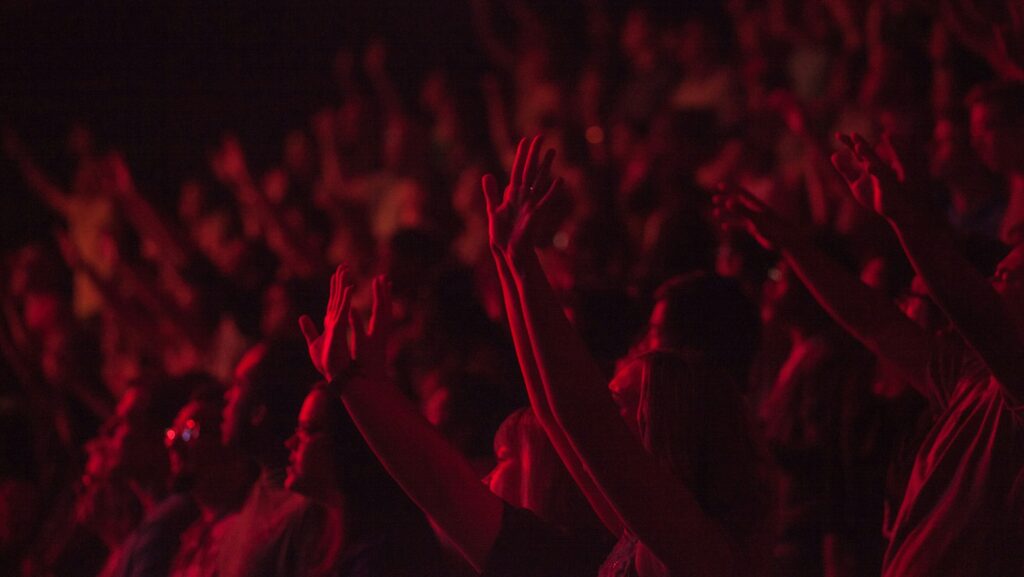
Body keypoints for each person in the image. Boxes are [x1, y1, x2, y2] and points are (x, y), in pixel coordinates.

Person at [713, 131, 1024, 576]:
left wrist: (901, 216)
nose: (995, 281)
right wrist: (791, 243)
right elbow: (875, 324)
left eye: (1011, 277)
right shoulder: (971, 379)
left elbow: (968, 301)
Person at [482, 135, 770, 576]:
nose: (607, 408)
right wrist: (509, 261)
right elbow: (554, 412)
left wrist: (523, 265)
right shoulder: (641, 529)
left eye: (620, 403)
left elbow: (581, 415)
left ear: (666, 424)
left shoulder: (694, 544)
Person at [298, 268, 611, 577]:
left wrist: (348, 380)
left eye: (501, 457)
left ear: (545, 478)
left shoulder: (547, 563)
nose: (484, 475)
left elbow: (440, 483)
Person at [283, 382, 447, 576]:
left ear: (349, 443)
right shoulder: (320, 529)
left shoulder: (387, 555)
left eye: (308, 430)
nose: (290, 443)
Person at [217, 338, 331, 577]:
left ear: (259, 412)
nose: (227, 396)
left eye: (238, 385)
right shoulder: (259, 493)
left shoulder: (306, 511)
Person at [166, 382, 255, 577]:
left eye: (190, 432)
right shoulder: (194, 536)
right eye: (174, 433)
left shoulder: (252, 527)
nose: (175, 445)